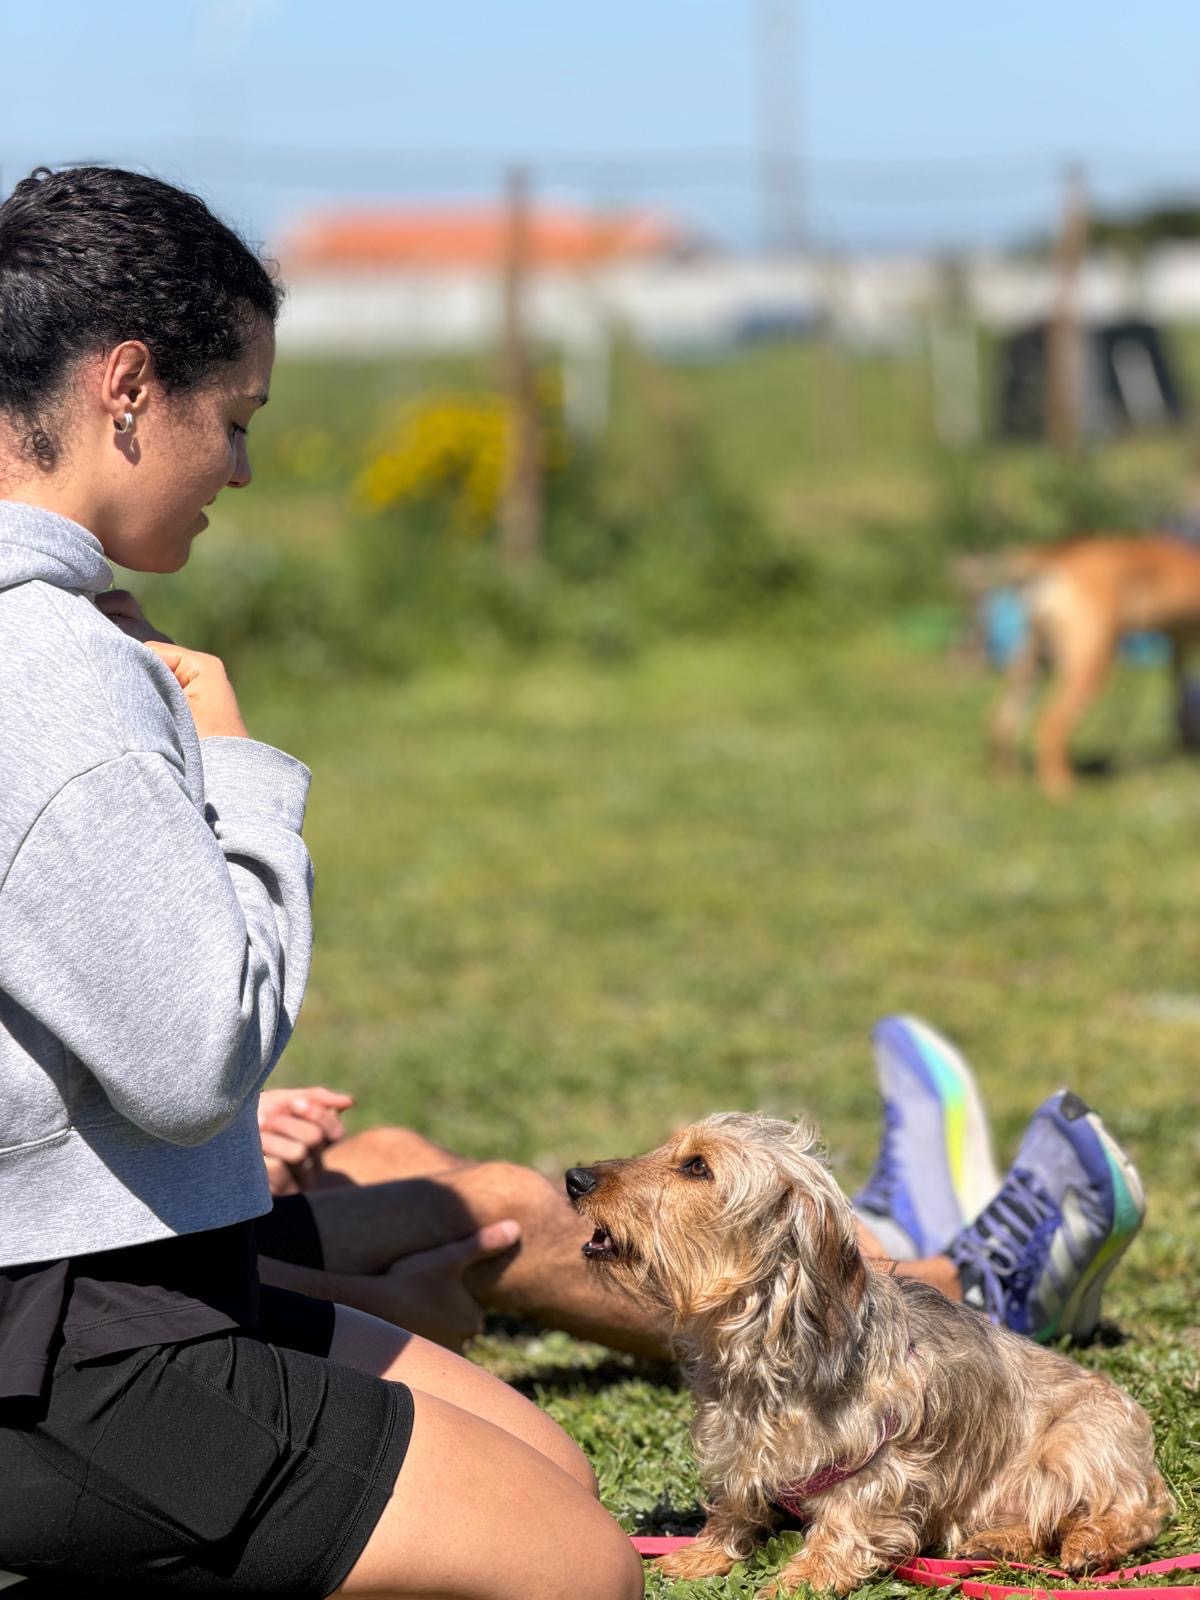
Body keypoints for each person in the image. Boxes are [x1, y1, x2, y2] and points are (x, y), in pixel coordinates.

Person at [0, 166, 644, 1600]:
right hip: (70, 1344)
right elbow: (194, 1063)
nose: (240, 470)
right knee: (574, 1569)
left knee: (553, 1473)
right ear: (126, 388)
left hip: (121, 1279)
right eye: (235, 419)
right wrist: (232, 765)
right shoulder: (49, 670)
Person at [252, 1015, 1146, 1355]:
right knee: (513, 1207)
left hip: (186, 1224)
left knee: (388, 1151)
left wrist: (240, 1128)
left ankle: (871, 1238)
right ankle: (971, 1294)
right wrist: (365, 1304)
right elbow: (160, 1297)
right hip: (174, 1277)